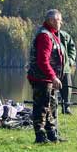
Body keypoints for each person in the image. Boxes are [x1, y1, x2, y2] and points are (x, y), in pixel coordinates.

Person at [27, 9, 65, 144]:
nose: (61, 23)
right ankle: (40, 136)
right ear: (52, 21)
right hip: (41, 78)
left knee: (51, 107)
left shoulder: (51, 34)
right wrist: (53, 77)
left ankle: (52, 134)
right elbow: (42, 61)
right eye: (60, 20)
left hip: (48, 78)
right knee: (42, 107)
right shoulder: (45, 36)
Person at [58, 29, 76, 115]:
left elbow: (72, 48)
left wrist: (70, 61)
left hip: (65, 68)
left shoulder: (64, 35)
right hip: (51, 69)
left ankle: (66, 107)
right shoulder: (46, 34)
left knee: (67, 88)